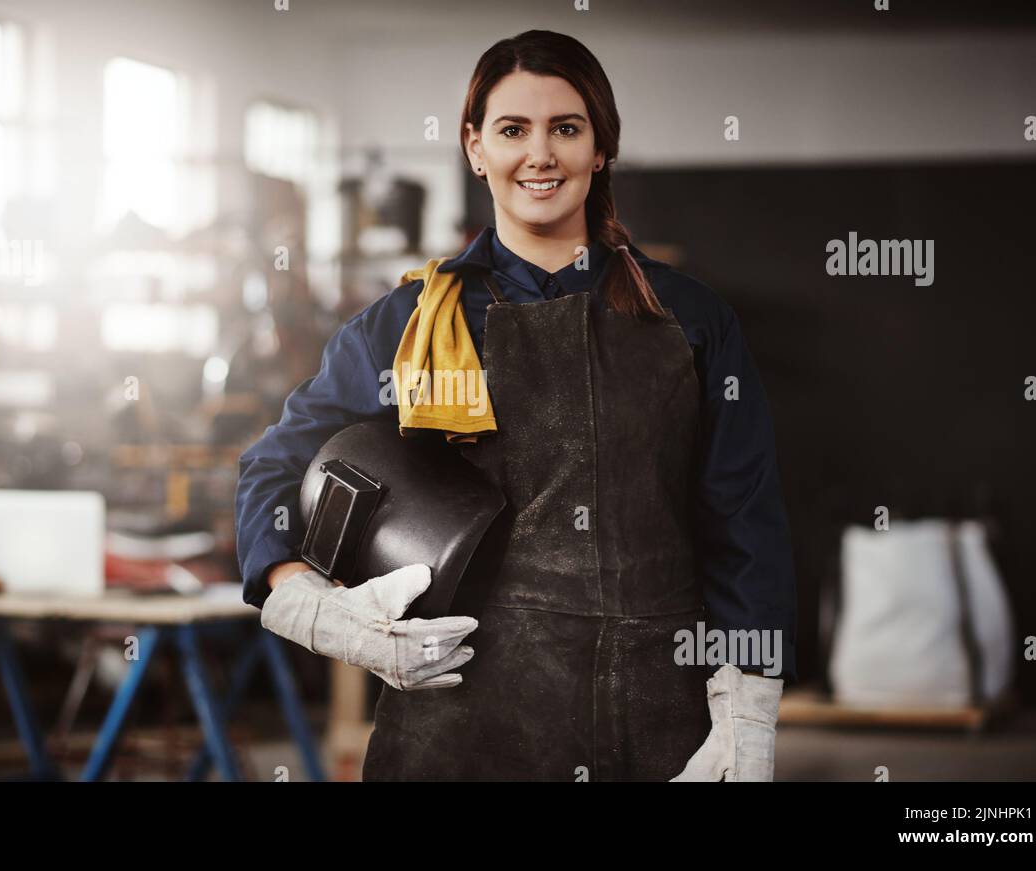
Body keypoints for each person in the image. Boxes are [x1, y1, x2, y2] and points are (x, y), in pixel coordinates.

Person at [235, 29, 797, 781]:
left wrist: (747, 709)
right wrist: (313, 608)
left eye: (566, 128)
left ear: (600, 149)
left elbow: (744, 523)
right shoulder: (410, 323)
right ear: (474, 148)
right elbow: (272, 469)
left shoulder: (689, 320)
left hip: (659, 722)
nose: (541, 155)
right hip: (459, 724)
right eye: (512, 130)